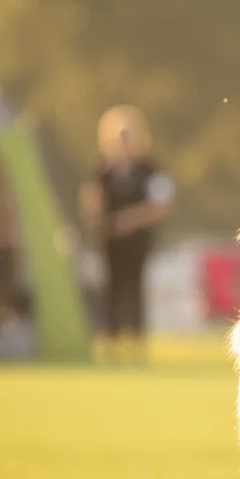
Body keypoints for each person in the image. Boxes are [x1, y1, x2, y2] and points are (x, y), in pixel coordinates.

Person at [79, 105, 175, 363]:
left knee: (134, 288)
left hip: (138, 241)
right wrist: (98, 214)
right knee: (110, 289)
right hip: (109, 241)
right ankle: (109, 344)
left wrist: (132, 219)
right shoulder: (102, 170)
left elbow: (161, 204)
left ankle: (136, 343)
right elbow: (91, 200)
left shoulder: (149, 170)